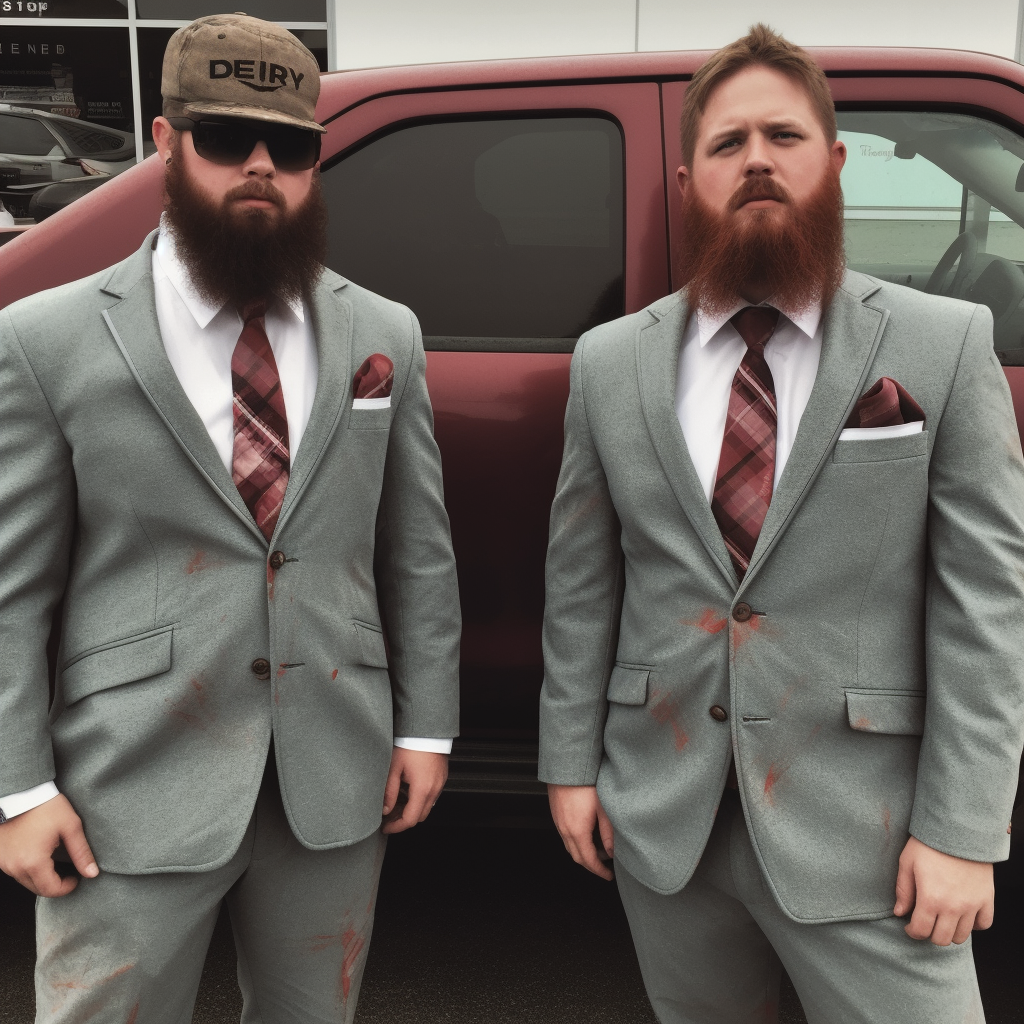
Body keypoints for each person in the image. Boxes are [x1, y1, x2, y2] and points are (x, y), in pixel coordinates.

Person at [539, 23, 1024, 1024]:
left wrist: (964, 830)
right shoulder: (608, 364)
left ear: (832, 161)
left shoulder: (942, 345)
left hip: (873, 838)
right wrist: (568, 768)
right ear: (687, 180)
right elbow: (582, 586)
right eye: (726, 144)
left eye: (782, 136)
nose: (755, 159)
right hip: (663, 820)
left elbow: (986, 608)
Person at [0, 14, 460, 1023]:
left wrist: (425, 726)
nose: (260, 164)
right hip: (127, 775)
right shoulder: (47, 340)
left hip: (331, 774)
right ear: (166, 144)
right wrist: (20, 791)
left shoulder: (385, 334)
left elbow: (416, 554)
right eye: (224, 138)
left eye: (288, 145)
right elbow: (12, 593)